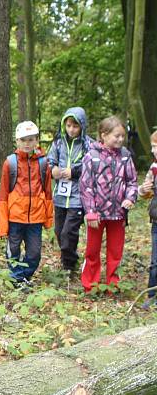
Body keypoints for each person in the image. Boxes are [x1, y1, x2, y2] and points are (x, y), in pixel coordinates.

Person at [79, 116, 138, 293]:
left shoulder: (126, 156)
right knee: (92, 250)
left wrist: (130, 197)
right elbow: (86, 185)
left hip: (118, 213)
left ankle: (113, 284)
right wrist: (90, 211)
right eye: (116, 136)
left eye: (122, 136)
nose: (120, 139)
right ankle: (91, 286)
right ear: (103, 135)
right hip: (96, 214)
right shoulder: (92, 156)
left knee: (115, 252)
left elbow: (132, 181)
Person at [0, 121, 54, 289]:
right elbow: (3, 195)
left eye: (31, 140)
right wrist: (3, 224)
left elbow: (48, 192)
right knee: (13, 250)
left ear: (37, 140)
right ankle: (17, 279)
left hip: (36, 218)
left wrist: (48, 219)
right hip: (15, 216)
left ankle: (23, 276)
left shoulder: (44, 163)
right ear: (17, 141)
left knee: (35, 253)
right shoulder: (10, 163)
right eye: (24, 140)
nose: (27, 143)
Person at [46, 107, 93, 276]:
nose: (71, 129)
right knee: (59, 232)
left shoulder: (88, 144)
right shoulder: (58, 143)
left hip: (78, 197)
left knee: (68, 232)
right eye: (68, 125)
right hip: (60, 196)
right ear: (64, 125)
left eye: (75, 126)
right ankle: (69, 258)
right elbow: (50, 162)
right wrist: (53, 170)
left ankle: (69, 264)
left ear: (82, 126)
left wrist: (73, 171)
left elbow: (91, 166)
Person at [137, 130, 157, 308]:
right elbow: (144, 193)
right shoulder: (153, 168)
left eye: (156, 147)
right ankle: (152, 295)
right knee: (155, 261)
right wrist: (143, 189)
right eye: (152, 147)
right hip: (156, 221)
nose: (153, 151)